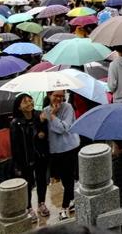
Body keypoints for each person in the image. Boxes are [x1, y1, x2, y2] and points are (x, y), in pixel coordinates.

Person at [42, 90, 80, 220]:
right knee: (64, 179)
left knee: (69, 179)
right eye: (56, 96)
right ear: (49, 95)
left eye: (61, 96)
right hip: (55, 150)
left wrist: (52, 116)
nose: (59, 99)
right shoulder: (45, 110)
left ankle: (64, 208)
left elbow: (63, 128)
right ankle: (73, 200)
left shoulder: (68, 107)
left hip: (69, 147)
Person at [10, 93, 49, 218]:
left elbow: (46, 132)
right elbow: (15, 145)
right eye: (25, 102)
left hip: (40, 154)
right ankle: (28, 207)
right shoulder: (15, 123)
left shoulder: (39, 115)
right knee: (28, 183)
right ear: (19, 107)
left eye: (30, 100)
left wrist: (42, 132)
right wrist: (17, 165)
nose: (29, 103)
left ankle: (41, 203)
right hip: (25, 158)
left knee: (42, 180)